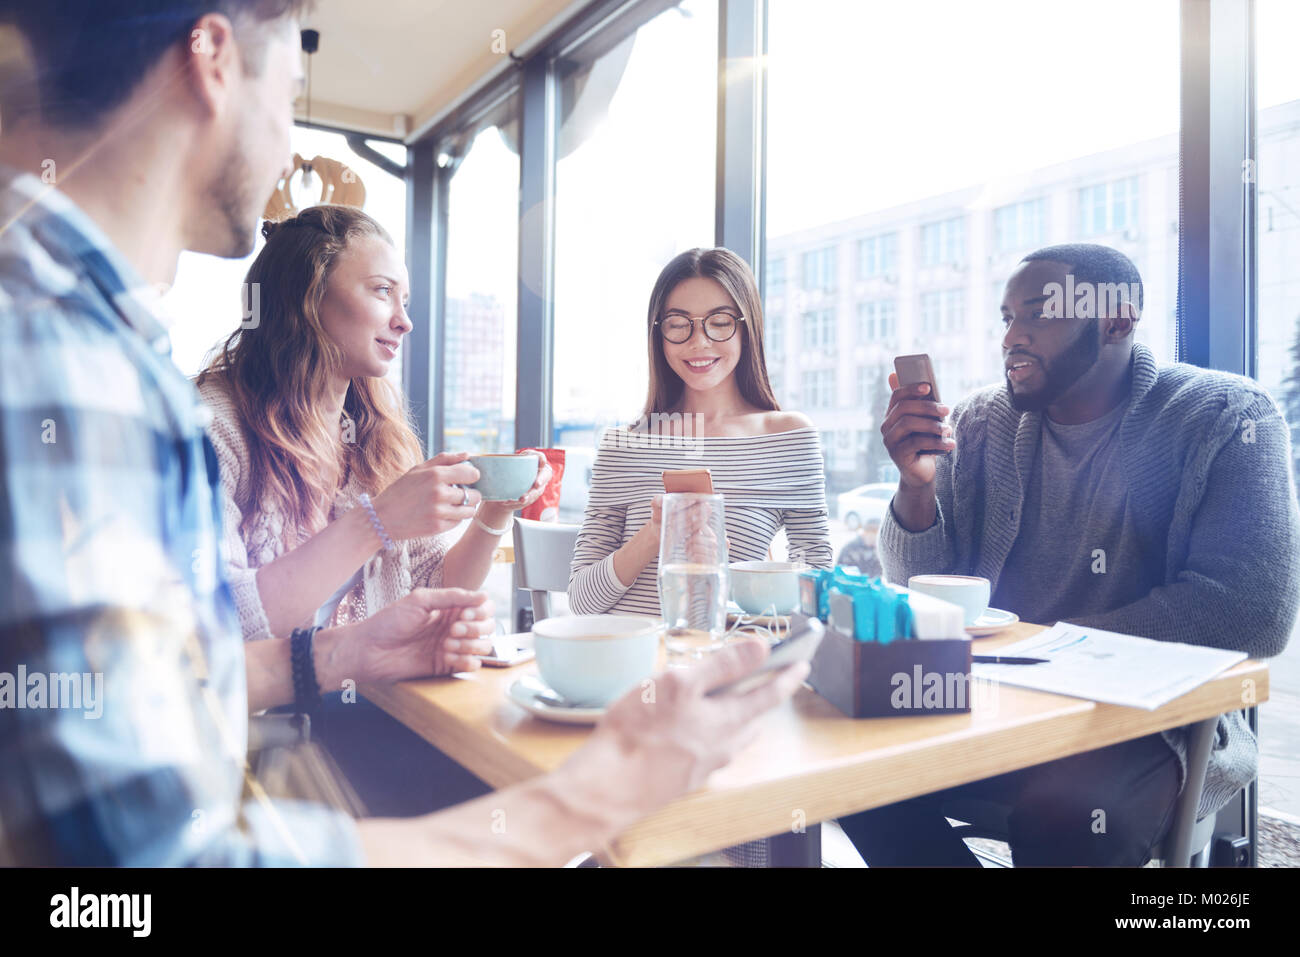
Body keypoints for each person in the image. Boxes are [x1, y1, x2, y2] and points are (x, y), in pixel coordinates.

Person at [0, 0, 806, 866]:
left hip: (343, 720)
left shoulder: (117, 360)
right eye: (295, 87)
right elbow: (138, 868)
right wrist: (591, 801)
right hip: (297, 754)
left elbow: (163, 687)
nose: (288, 147)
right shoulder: (75, 367)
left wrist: (348, 647)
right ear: (214, 58)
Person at [838, 243, 1300, 866]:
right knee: (841, 756)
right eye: (1006, 318)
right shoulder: (979, 422)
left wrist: (1041, 652)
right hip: (991, 703)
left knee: (1075, 811)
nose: (1012, 337)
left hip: (1145, 724)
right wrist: (916, 488)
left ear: (1116, 320)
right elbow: (925, 589)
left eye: (1038, 314)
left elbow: (1250, 614)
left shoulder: (1225, 417)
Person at [195, 205, 548, 642]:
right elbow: (216, 623)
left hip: (370, 699)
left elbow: (434, 585)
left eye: (405, 300)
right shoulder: (210, 425)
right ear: (306, 298)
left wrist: (497, 508)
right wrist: (378, 520)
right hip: (266, 709)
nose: (404, 321)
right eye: (382, 291)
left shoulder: (376, 436)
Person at [568, 247, 834, 618]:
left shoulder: (788, 437)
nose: (699, 342)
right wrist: (656, 534)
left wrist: (719, 574)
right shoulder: (625, 444)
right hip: (625, 664)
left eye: (720, 321)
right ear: (658, 334)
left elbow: (816, 588)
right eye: (678, 324)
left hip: (720, 663)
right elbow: (581, 603)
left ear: (747, 327)